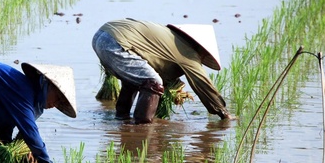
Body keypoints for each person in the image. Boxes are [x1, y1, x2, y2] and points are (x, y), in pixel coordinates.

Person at [91, 18, 235, 124]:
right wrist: (223, 112)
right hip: (115, 42)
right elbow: (203, 83)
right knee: (154, 82)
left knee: (137, 79)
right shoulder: (188, 52)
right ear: (201, 48)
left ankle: (121, 117)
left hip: (101, 35)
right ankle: (142, 128)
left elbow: (153, 67)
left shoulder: (169, 37)